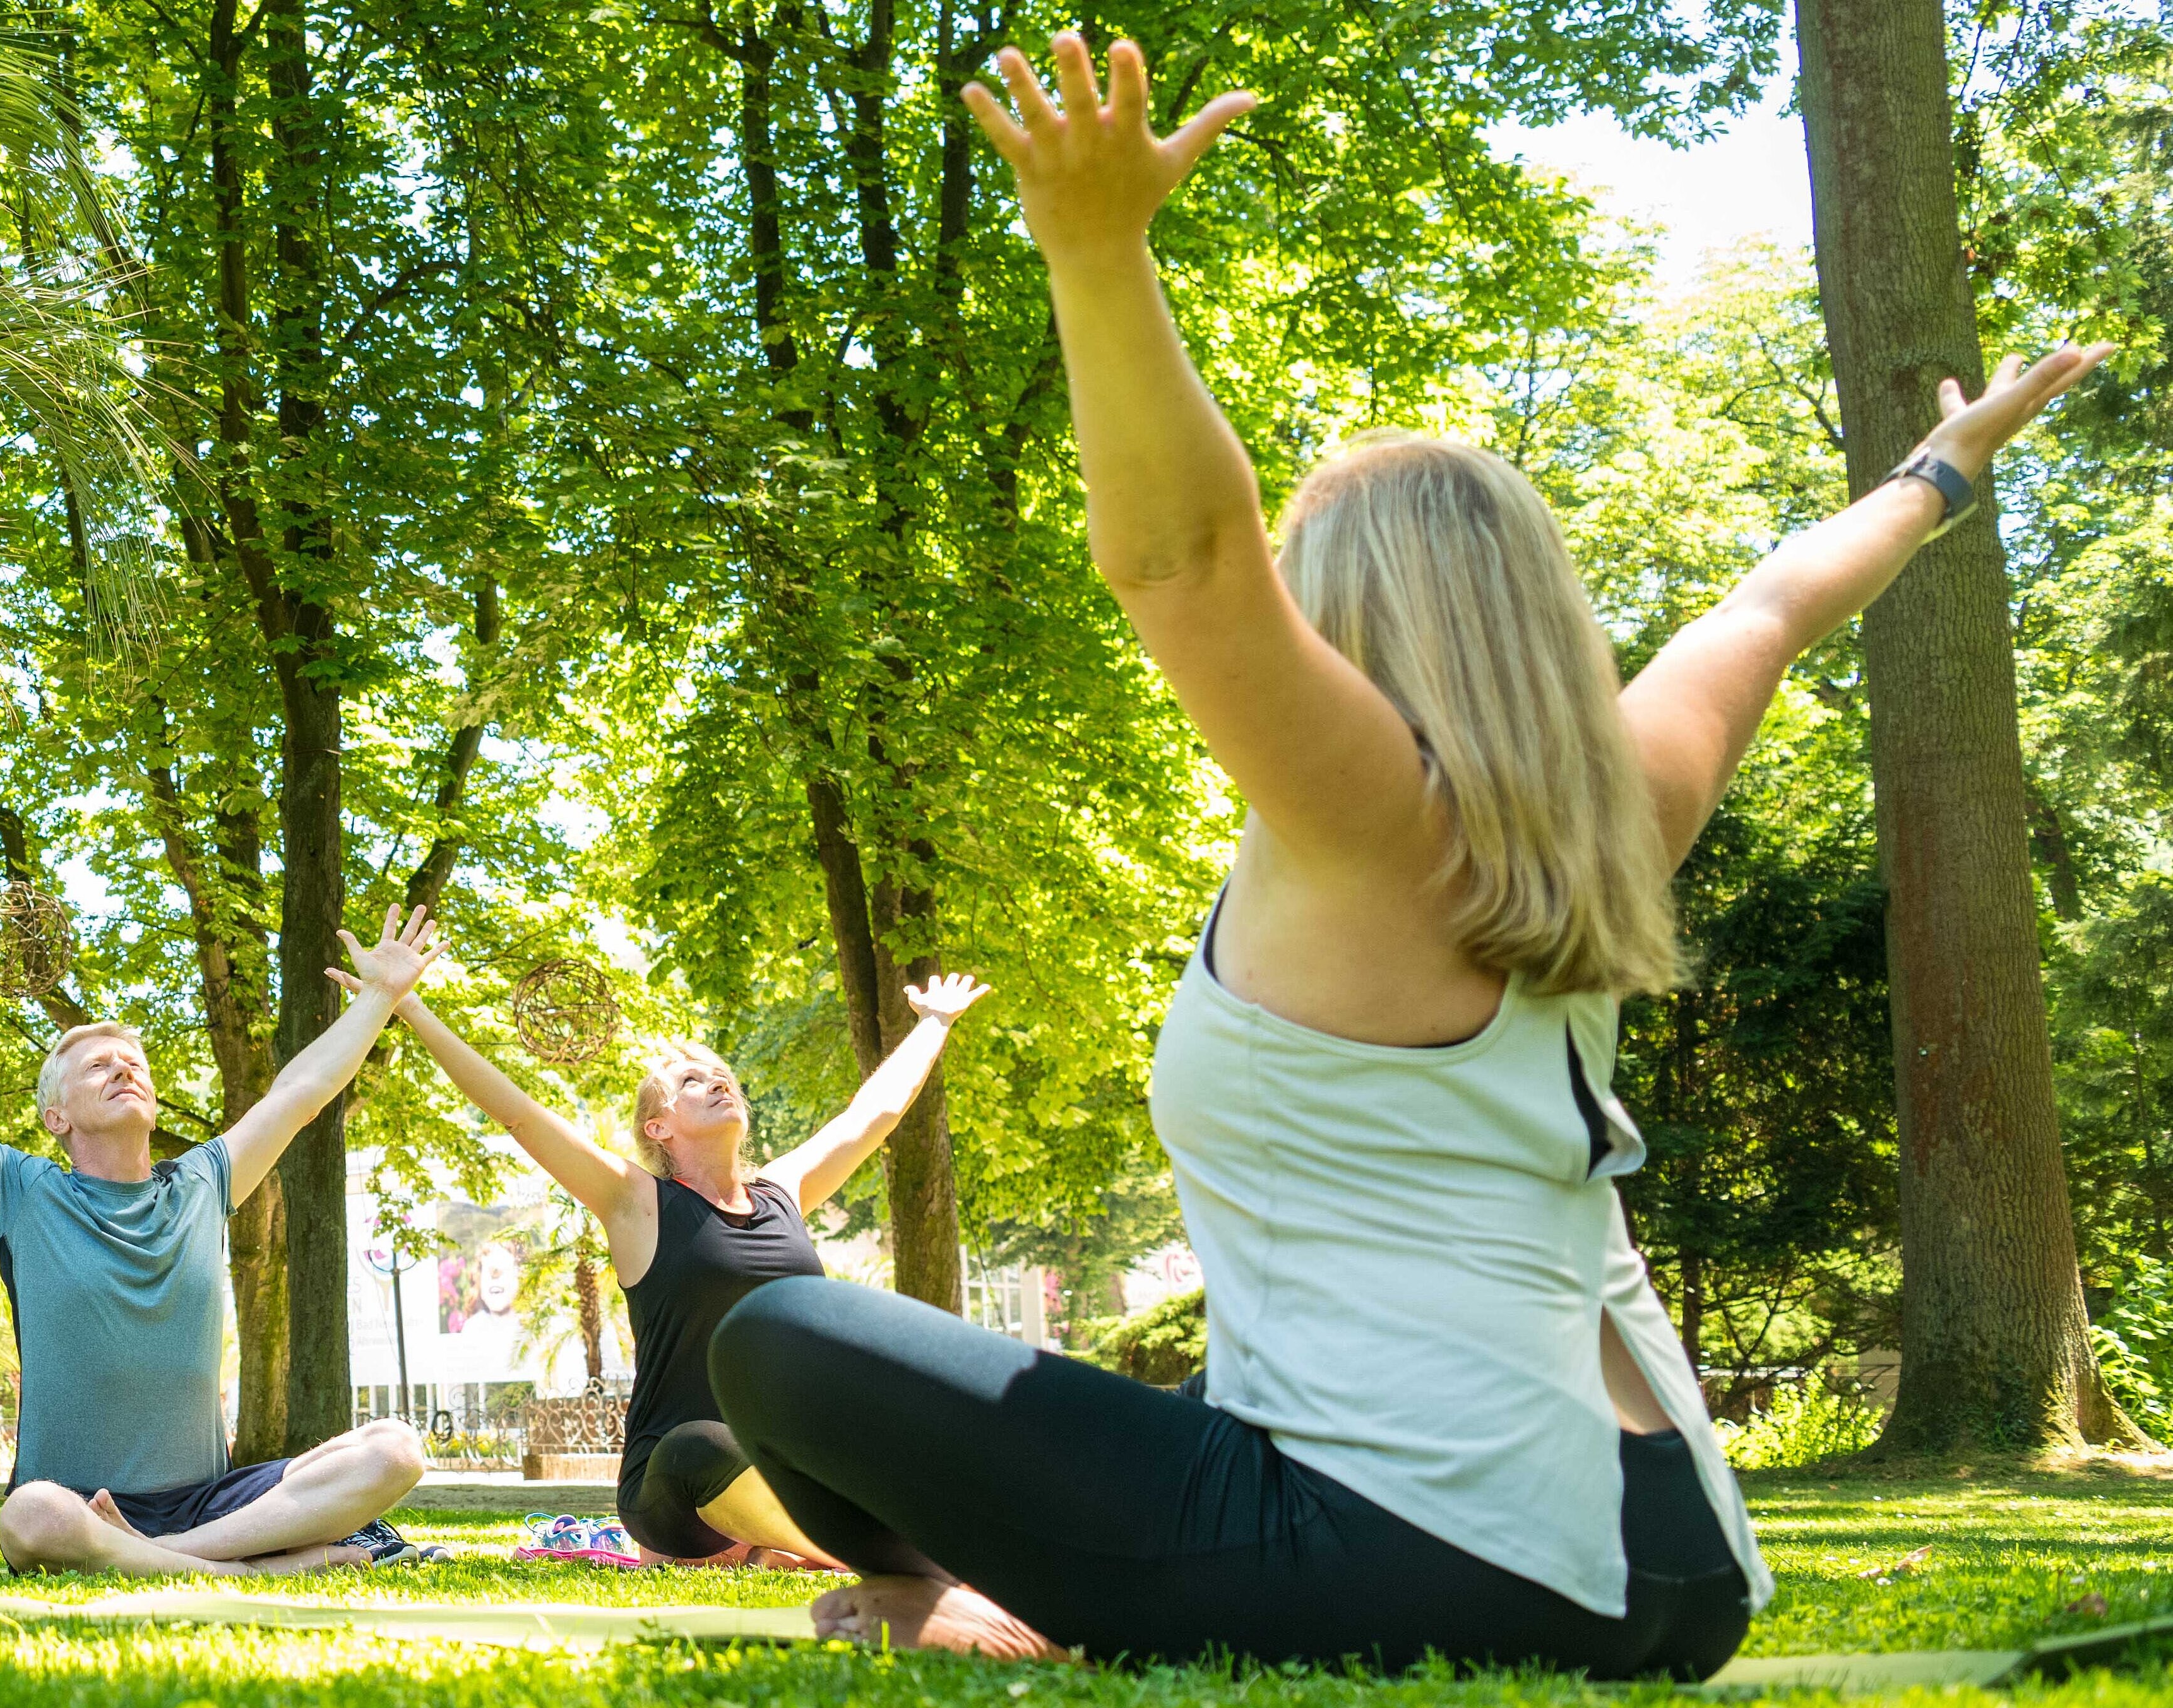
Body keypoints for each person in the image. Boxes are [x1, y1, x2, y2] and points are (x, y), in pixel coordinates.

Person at [697, 36, 2105, 1672]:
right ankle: (1003, 1574)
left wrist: (1091, 251)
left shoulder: (1365, 819)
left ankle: (981, 1602)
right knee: (743, 1438)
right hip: (1675, 1568)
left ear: (1343, 614)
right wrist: (1943, 470)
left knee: (780, 1341)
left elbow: (1178, 559)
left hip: (1416, 1554)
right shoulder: (1621, 810)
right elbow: (1769, 605)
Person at [0, 898, 448, 1577]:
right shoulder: (23, 1194)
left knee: (393, 1450)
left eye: (134, 1064)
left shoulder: (202, 1184)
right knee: (32, 1515)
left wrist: (382, 995)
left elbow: (301, 1093)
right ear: (56, 1117)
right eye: (98, 1065)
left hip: (209, 1502)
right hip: (73, 1501)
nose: (124, 1068)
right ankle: (259, 1566)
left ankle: (164, 1556)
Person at [357, 964, 989, 1567]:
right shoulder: (637, 1204)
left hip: (791, 1474)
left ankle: (810, 1542)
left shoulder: (784, 1191)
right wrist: (409, 1006)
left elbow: (873, 1114)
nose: (719, 1084)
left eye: (724, 1080)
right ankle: (881, 1557)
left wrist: (934, 1021)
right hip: (677, 1483)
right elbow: (519, 1114)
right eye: (693, 1082)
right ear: (657, 1127)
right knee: (699, 1445)